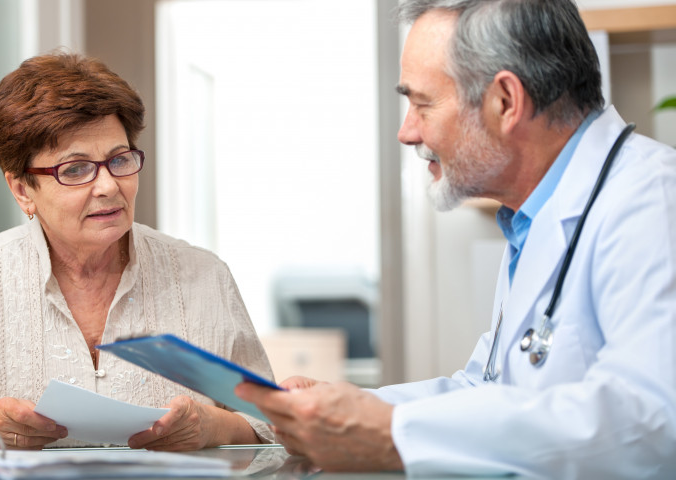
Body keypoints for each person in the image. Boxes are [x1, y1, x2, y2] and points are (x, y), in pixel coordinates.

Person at [236, 0, 676, 477]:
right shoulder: (532, 218)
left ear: (506, 101)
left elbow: (654, 422)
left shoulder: (653, 202)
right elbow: (488, 390)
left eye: (422, 103)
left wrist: (394, 436)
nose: (406, 132)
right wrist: (348, 407)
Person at [0, 52, 274, 452]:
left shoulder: (204, 275)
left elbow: (274, 424)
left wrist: (213, 426)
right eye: (76, 169)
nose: (108, 186)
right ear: (22, 190)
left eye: (120, 160)